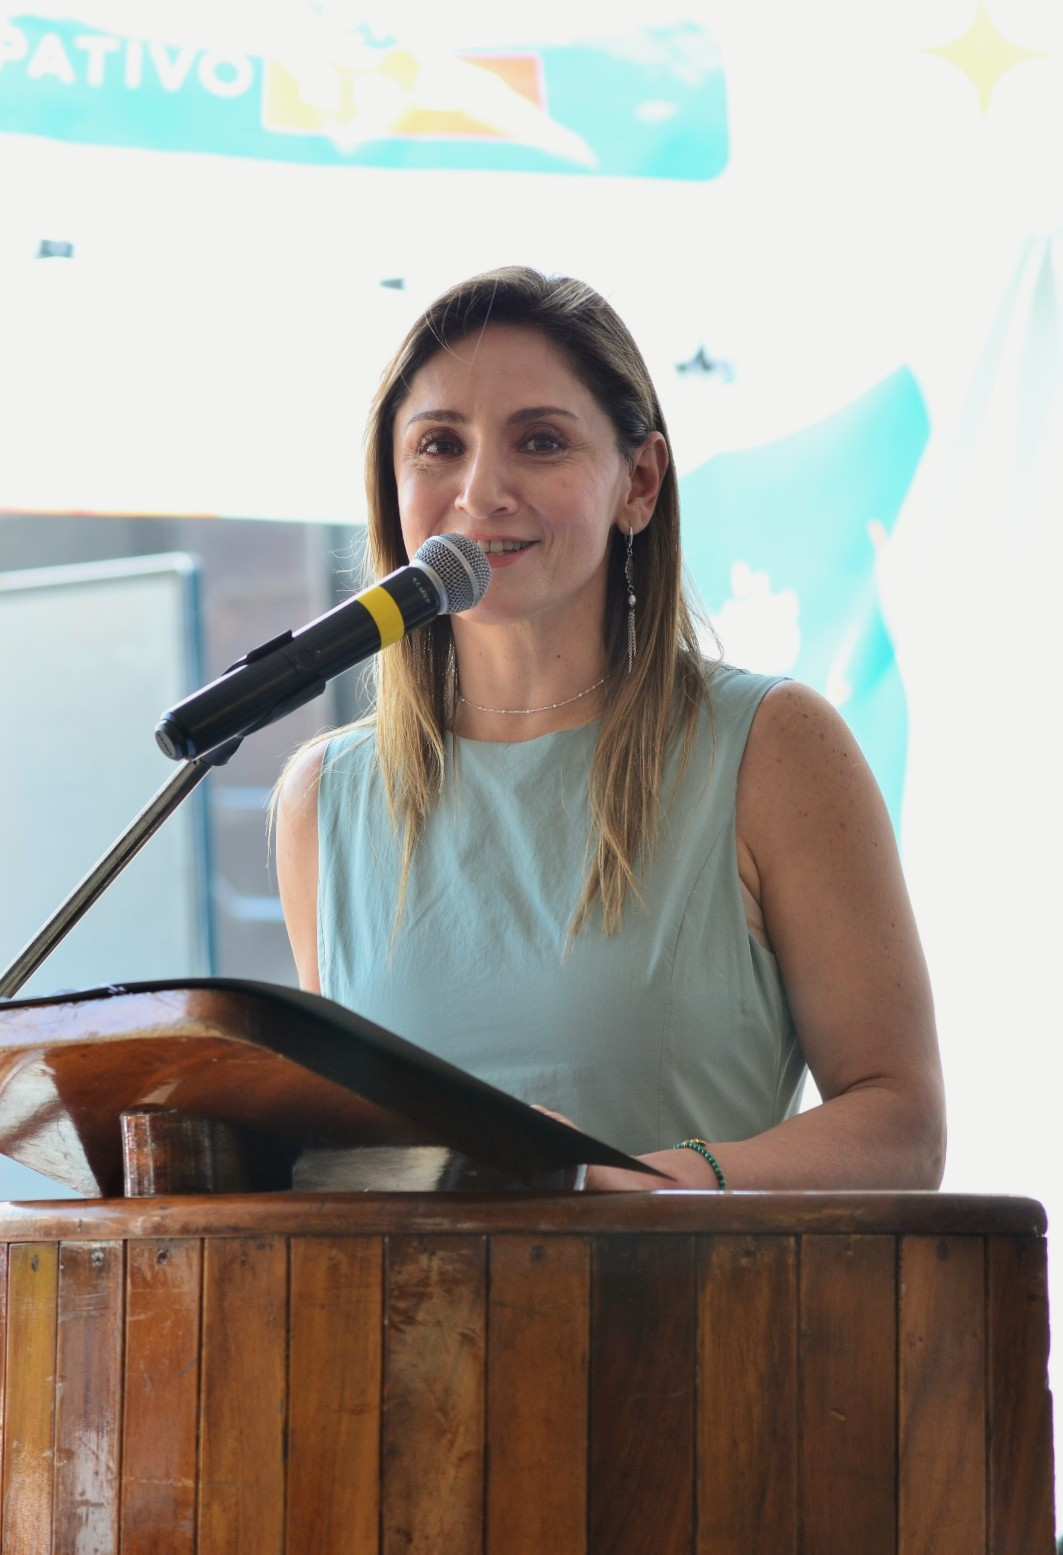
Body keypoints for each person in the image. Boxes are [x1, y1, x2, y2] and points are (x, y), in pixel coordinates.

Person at [275, 265, 945, 1192]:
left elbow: (902, 1128)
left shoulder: (773, 745)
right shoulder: (322, 799)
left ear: (639, 481)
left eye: (540, 441)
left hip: (694, 1289)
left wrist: (632, 1187)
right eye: (438, 445)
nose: (480, 490)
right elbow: (351, 1160)